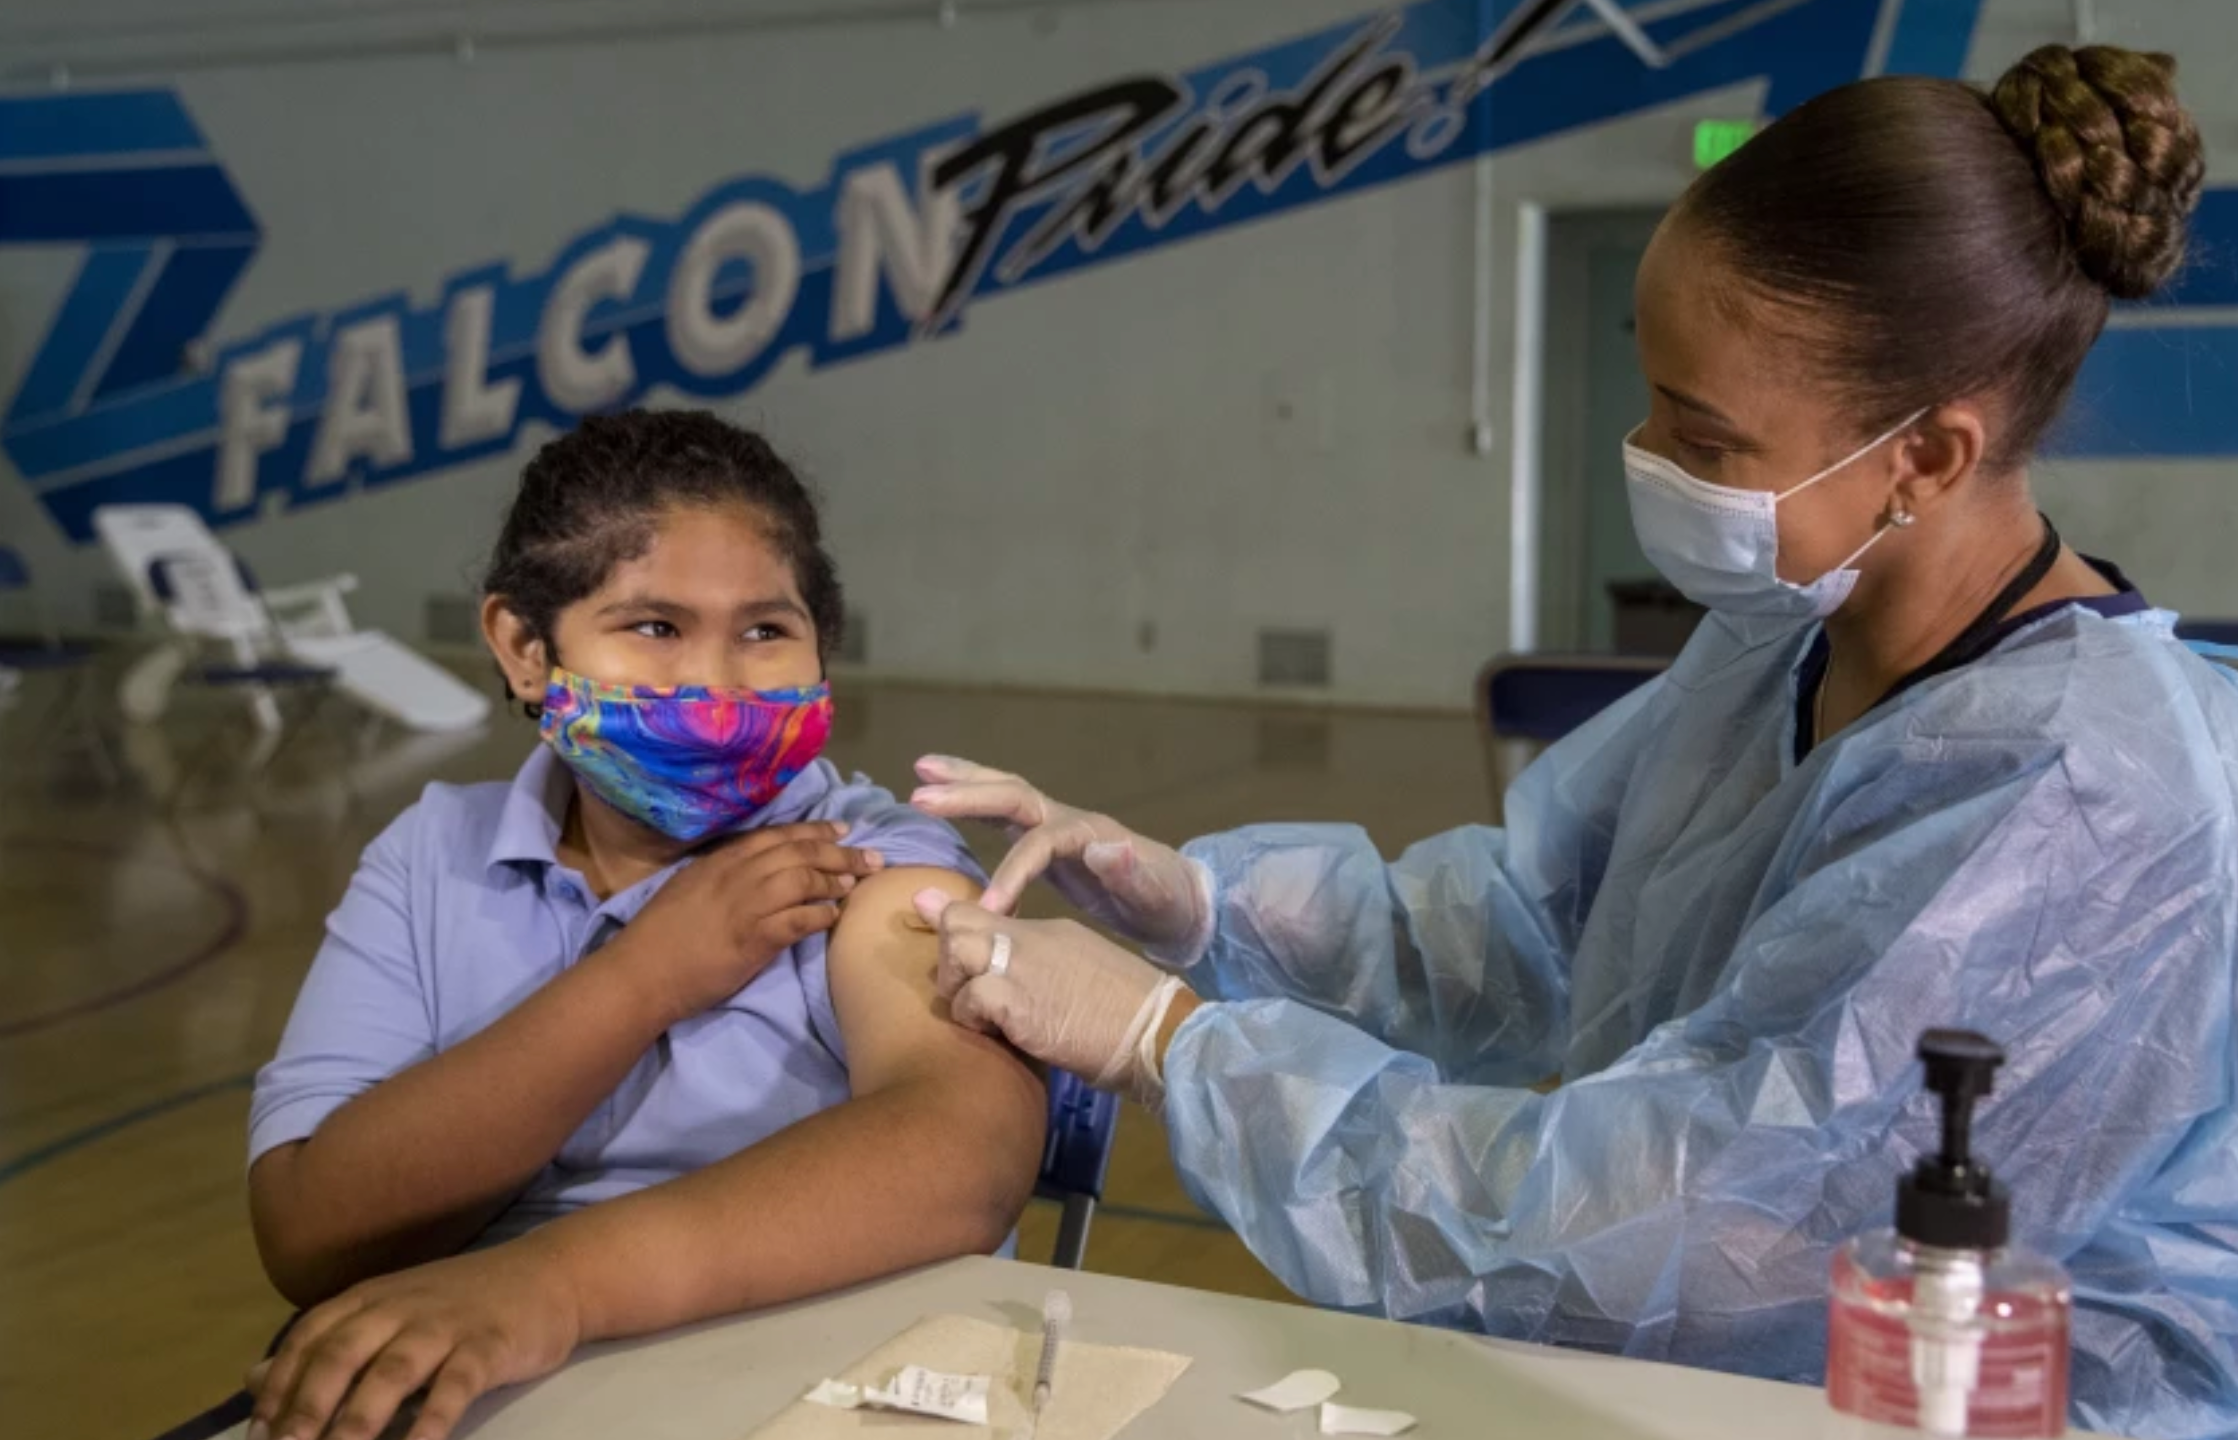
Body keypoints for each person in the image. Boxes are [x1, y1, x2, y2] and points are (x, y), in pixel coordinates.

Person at [909, 45, 2238, 1440]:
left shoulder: (2087, 797)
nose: (1649, 455)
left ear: (1927, 457)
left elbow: (1698, 1219)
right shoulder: (1782, 635)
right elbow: (1524, 924)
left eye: (1706, 440)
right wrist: (1197, 903)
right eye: (1654, 396)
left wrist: (1170, 1046)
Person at [242, 411, 1046, 1440]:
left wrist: (554, 1286)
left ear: (820, 646)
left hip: (819, 1385)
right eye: (655, 627)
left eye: (765, 631)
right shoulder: (431, 856)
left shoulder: (875, 863)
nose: (714, 685)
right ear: (525, 650)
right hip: (492, 1384)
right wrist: (644, 980)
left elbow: (961, 1151)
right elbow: (314, 1232)